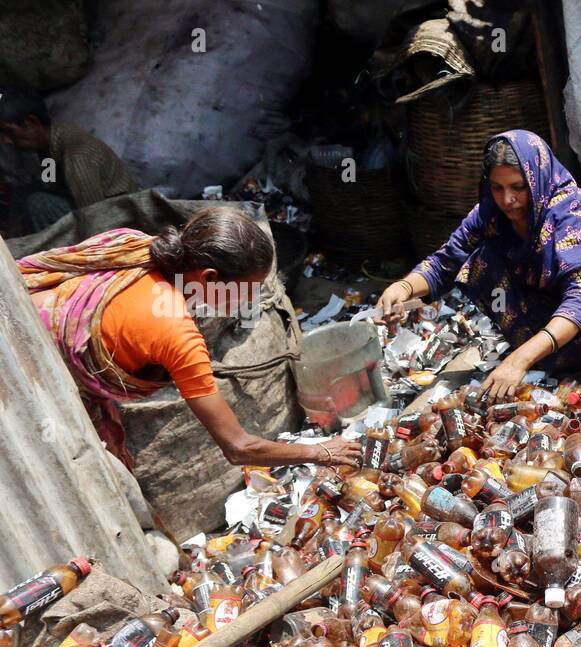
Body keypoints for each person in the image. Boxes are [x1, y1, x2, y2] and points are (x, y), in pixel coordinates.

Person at [20, 207, 360, 470]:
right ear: (210, 277)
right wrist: (320, 452)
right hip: (24, 379)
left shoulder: (131, 244)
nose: (248, 303)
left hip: (19, 325)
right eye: (247, 292)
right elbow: (238, 447)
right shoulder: (176, 333)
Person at [377, 130, 581, 402]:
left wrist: (517, 361)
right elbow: (447, 260)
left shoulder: (572, 212)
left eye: (518, 187)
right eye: (497, 187)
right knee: (483, 260)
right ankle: (553, 361)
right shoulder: (490, 213)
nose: (508, 199)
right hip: (554, 328)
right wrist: (402, 288)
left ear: (537, 178)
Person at [0, 86, 138, 232]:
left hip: (119, 220)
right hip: (87, 207)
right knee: (25, 194)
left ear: (31, 122)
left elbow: (94, 216)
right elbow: (50, 183)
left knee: (39, 204)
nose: (6, 141)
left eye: (9, 132)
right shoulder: (46, 147)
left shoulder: (77, 156)